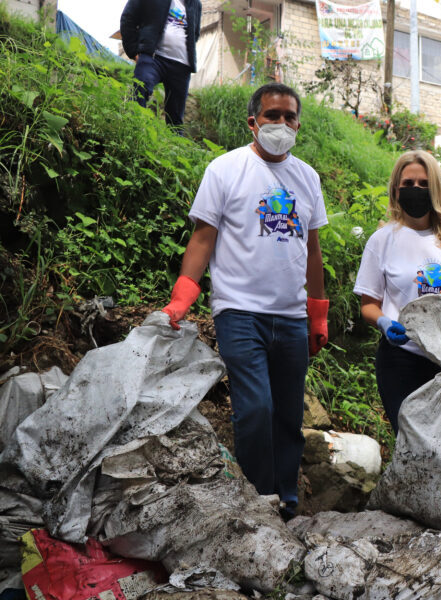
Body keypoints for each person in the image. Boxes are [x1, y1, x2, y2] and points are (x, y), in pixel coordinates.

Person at [160, 83, 328, 521]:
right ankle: (257, 500)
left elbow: (312, 251)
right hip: (239, 312)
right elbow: (203, 238)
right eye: (271, 115)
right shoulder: (225, 169)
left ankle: (286, 496)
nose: (281, 123)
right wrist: (182, 297)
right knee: (256, 410)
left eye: (289, 116)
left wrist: (318, 313)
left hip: (290, 317)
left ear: (298, 124)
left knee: (288, 415)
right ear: (253, 121)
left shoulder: (308, 178)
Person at [354, 150, 441, 434]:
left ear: (435, 189)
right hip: (401, 359)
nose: (415, 190)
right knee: (413, 443)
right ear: (396, 189)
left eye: (423, 184)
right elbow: (369, 304)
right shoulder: (383, 240)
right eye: (408, 184)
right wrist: (384, 322)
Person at [120, 0, 202, 128]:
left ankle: (175, 146)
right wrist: (133, 51)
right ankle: (132, 132)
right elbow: (128, 18)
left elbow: (195, 33)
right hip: (152, 57)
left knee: (176, 118)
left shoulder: (195, 3)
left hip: (182, 65)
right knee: (139, 92)